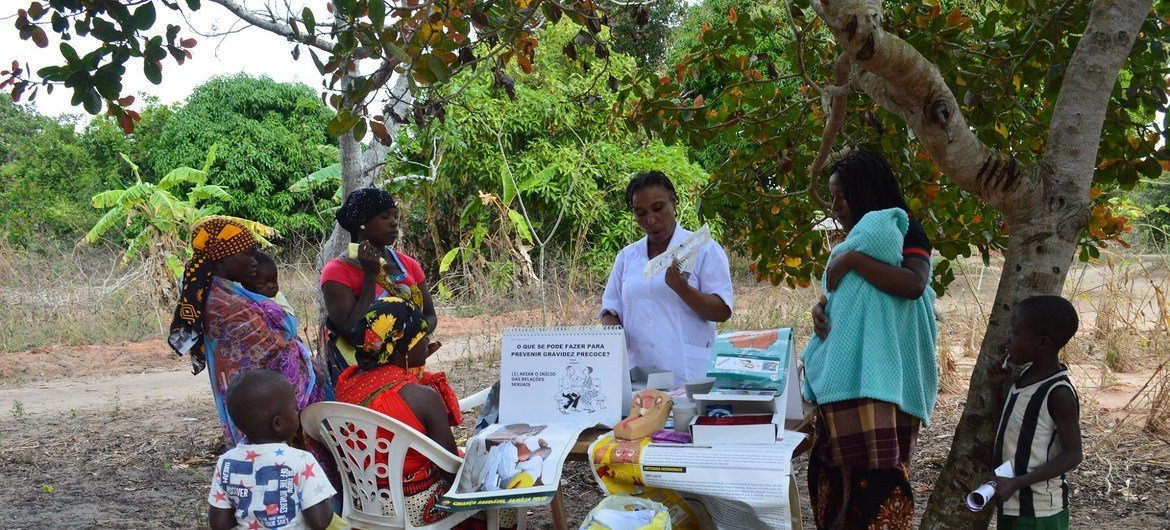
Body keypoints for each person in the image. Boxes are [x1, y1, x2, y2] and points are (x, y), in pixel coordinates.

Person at [802, 151, 937, 529]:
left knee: (879, 481)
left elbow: (913, 284)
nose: (835, 207)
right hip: (846, 380)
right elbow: (850, 298)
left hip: (878, 381)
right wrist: (823, 309)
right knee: (835, 477)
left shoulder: (905, 227)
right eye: (832, 197)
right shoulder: (857, 239)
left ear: (866, 193)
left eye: (842, 196)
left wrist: (852, 261)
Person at [334, 296, 512, 528]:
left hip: (366, 500)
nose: (428, 340)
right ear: (403, 347)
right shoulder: (421, 397)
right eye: (421, 336)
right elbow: (450, 471)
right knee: (506, 497)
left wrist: (411, 363)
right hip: (414, 506)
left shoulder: (347, 382)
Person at [168, 216, 330, 447]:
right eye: (248, 253)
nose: (255, 262)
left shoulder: (220, 293)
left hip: (249, 399)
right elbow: (276, 352)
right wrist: (309, 365)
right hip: (264, 405)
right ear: (222, 258)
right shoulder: (228, 306)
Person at [600, 171, 734, 387]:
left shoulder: (703, 249)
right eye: (640, 213)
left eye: (658, 208)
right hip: (638, 377)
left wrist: (684, 290)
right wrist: (614, 340)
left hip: (688, 377)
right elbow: (610, 310)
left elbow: (722, 311)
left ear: (673, 201)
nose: (651, 219)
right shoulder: (627, 257)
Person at [984, 295, 1083, 529]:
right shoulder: (1024, 377)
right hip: (1012, 503)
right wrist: (996, 389)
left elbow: (1073, 455)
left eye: (1016, 333)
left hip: (1040, 511)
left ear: (1042, 343)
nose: (1008, 339)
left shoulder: (1058, 393)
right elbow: (1007, 430)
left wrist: (1017, 483)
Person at [321, 188, 437, 381]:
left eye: (395, 216)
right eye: (385, 217)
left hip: (412, 369)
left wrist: (414, 338)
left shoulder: (408, 265)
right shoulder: (338, 271)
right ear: (362, 224)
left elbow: (430, 315)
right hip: (364, 377)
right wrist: (370, 277)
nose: (394, 223)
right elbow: (351, 331)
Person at [208, 370, 335, 530]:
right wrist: (325, 497)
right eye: (295, 410)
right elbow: (320, 521)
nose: (297, 414)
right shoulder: (301, 461)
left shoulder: (226, 462)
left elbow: (218, 524)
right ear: (278, 423)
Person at [245, 250, 298, 319]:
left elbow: (289, 317)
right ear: (247, 286)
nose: (271, 286)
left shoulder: (278, 298)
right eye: (263, 284)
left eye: (274, 281)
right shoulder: (246, 301)